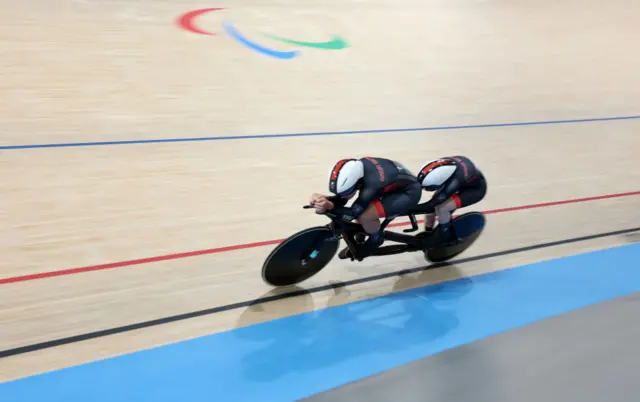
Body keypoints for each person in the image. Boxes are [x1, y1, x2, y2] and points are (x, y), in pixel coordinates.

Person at [310, 156, 422, 260]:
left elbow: (353, 213)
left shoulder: (372, 185)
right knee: (362, 208)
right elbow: (342, 198)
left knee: (365, 215)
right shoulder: (357, 167)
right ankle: (362, 237)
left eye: (346, 192)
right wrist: (326, 199)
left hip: (408, 193)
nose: (343, 196)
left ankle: (376, 239)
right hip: (392, 183)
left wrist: (329, 206)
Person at [416, 155, 487, 243]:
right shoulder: (442, 163)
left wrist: (409, 209)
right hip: (462, 180)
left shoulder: (454, 183)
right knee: (431, 213)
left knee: (442, 209)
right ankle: (428, 233)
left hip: (474, 190)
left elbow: (432, 204)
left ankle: (445, 237)